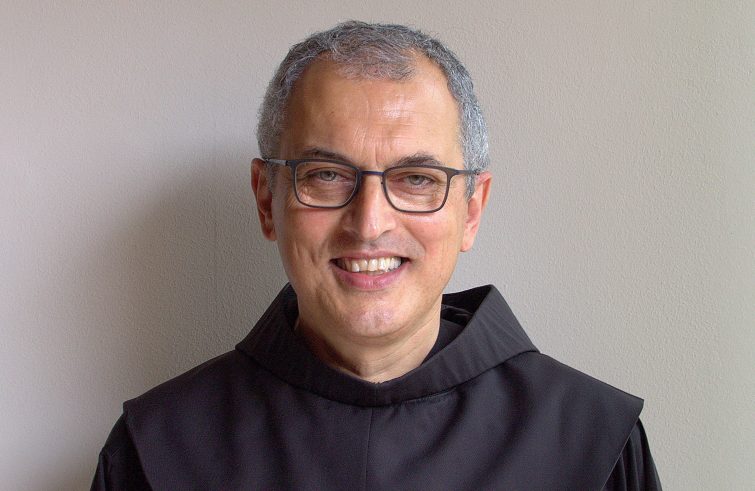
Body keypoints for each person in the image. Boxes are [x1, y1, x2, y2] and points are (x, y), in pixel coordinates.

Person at [92, 21, 661, 490]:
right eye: (326, 175)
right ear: (267, 201)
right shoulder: (156, 450)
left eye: (417, 179)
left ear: (472, 210)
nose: (369, 224)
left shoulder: (595, 445)